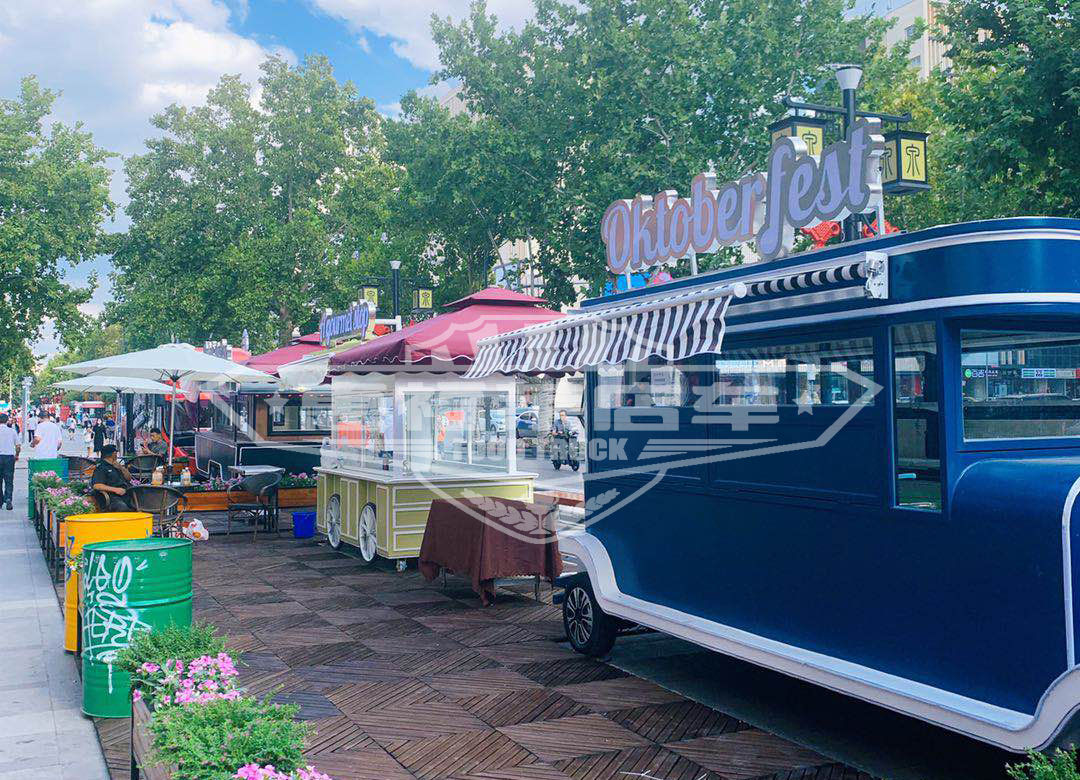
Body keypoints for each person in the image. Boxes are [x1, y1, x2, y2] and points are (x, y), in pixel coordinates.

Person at [91, 444, 133, 511]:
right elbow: (97, 485)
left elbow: (129, 478)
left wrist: (121, 468)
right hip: (112, 496)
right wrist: (116, 490)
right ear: (114, 454)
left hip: (127, 494)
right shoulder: (101, 468)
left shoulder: (116, 466)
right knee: (123, 507)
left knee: (143, 501)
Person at [0, 413, 20, 511]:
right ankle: (8, 499)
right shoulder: (12, 431)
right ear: (7, 420)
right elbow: (18, 446)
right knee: (9, 480)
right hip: (9, 458)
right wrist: (17, 455)